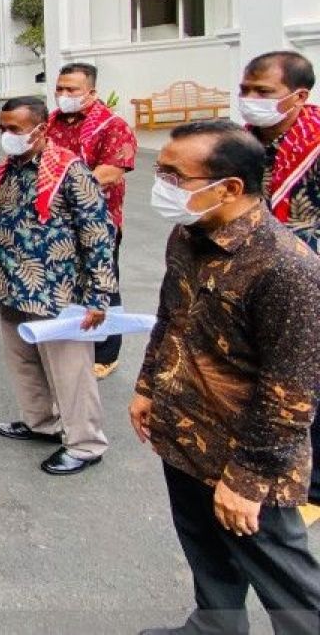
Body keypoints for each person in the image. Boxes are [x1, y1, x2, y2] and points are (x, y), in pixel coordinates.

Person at [131, 121, 320, 635]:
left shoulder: (285, 268)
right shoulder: (188, 234)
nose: (160, 186)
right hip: (185, 436)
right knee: (209, 560)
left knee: (288, 587)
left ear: (230, 187)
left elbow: (293, 392)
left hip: (248, 460)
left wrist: (247, 481)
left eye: (174, 176)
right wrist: (148, 385)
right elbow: (172, 315)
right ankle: (214, 629)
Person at [0, 96, 116, 476]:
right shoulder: (6, 171)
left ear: (41, 129)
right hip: (11, 287)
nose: (6, 136)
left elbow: (97, 233)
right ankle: (42, 423)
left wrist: (98, 295)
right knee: (24, 363)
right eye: (2, 129)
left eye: (15, 129)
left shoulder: (70, 171)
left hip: (57, 293)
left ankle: (86, 444)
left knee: (71, 372)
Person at [238, 51, 320, 506]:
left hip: (308, 276)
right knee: (260, 374)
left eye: (263, 92)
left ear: (299, 96)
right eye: (245, 90)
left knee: (306, 380)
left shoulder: (315, 143)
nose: (250, 100)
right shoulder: (244, 142)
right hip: (251, 276)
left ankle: (311, 490)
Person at [45, 62, 137, 380]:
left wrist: (65, 191)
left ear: (91, 92)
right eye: (60, 88)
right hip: (57, 224)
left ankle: (106, 354)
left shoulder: (112, 126)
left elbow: (112, 171)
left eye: (72, 89)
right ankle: (70, 340)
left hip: (99, 221)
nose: (64, 95)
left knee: (102, 285)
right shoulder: (50, 124)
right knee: (66, 283)